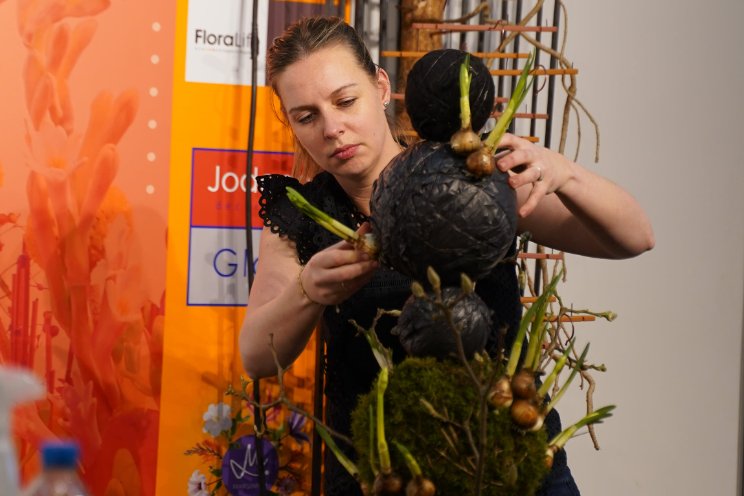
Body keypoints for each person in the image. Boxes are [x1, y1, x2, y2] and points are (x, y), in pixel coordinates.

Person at [239, 15, 654, 496]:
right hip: (385, 474)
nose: (333, 128)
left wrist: (565, 174)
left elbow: (634, 237)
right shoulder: (303, 216)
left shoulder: (468, 182)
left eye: (345, 100)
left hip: (505, 456)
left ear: (380, 86)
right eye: (306, 116)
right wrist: (308, 290)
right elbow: (256, 356)